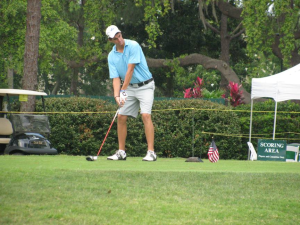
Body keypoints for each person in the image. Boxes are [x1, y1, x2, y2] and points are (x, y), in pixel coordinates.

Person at [105, 25, 157, 161]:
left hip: (145, 85)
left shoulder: (133, 46)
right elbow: (116, 78)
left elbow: (130, 70)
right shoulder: (111, 56)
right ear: (111, 40)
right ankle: (121, 152)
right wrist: (116, 95)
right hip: (129, 88)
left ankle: (151, 152)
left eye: (119, 36)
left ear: (121, 34)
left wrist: (123, 90)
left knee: (145, 115)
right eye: (115, 39)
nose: (119, 40)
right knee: (121, 117)